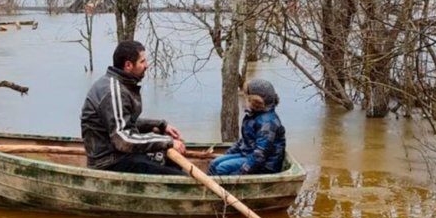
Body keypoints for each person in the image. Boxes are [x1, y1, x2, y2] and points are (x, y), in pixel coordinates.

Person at [81, 40, 186, 175]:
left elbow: (125, 121)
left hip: (121, 155)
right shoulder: (114, 91)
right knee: (179, 178)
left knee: (172, 161)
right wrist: (168, 142)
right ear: (128, 65)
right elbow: (123, 140)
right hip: (110, 162)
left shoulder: (119, 84)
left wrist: (161, 125)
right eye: (142, 61)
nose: (146, 66)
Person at [208, 78, 286, 176]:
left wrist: (241, 173)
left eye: (246, 98)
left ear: (255, 101)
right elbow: (245, 140)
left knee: (222, 168)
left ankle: (223, 190)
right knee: (214, 163)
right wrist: (228, 154)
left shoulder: (267, 122)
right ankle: (208, 189)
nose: (244, 101)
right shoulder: (254, 115)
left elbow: (260, 154)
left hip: (264, 166)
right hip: (248, 155)